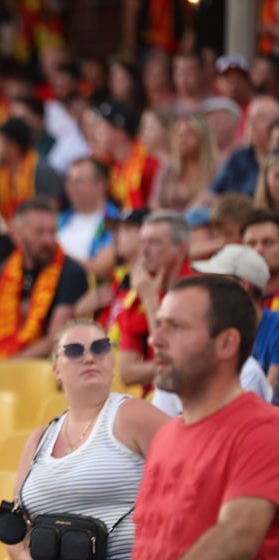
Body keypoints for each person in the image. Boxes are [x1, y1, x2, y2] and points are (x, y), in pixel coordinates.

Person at [132, 275, 279, 558]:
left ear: (226, 344)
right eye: (159, 324)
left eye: (176, 327)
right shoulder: (164, 436)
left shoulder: (264, 430)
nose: (155, 339)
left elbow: (237, 537)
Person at [7, 319, 169, 559]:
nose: (89, 357)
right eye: (74, 351)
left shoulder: (133, 415)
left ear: (112, 361)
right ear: (56, 371)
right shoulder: (39, 440)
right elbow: (15, 528)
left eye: (100, 347)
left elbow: (195, 479)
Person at [0, 198, 89, 388]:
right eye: (39, 232)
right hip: (0, 370)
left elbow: (56, 339)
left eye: (52, 232)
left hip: (45, 377)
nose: (48, 239)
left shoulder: (71, 272)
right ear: (16, 235)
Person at [152, 245, 275, 415]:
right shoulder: (178, 366)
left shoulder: (248, 371)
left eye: (216, 282)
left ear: (243, 286)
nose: (206, 288)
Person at [117, 211, 192, 390]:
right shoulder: (141, 291)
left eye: (155, 243)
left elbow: (177, 360)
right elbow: (127, 373)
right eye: (142, 242)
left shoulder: (198, 290)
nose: (144, 251)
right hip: (155, 399)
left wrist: (151, 301)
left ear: (181, 249)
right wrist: (168, 366)